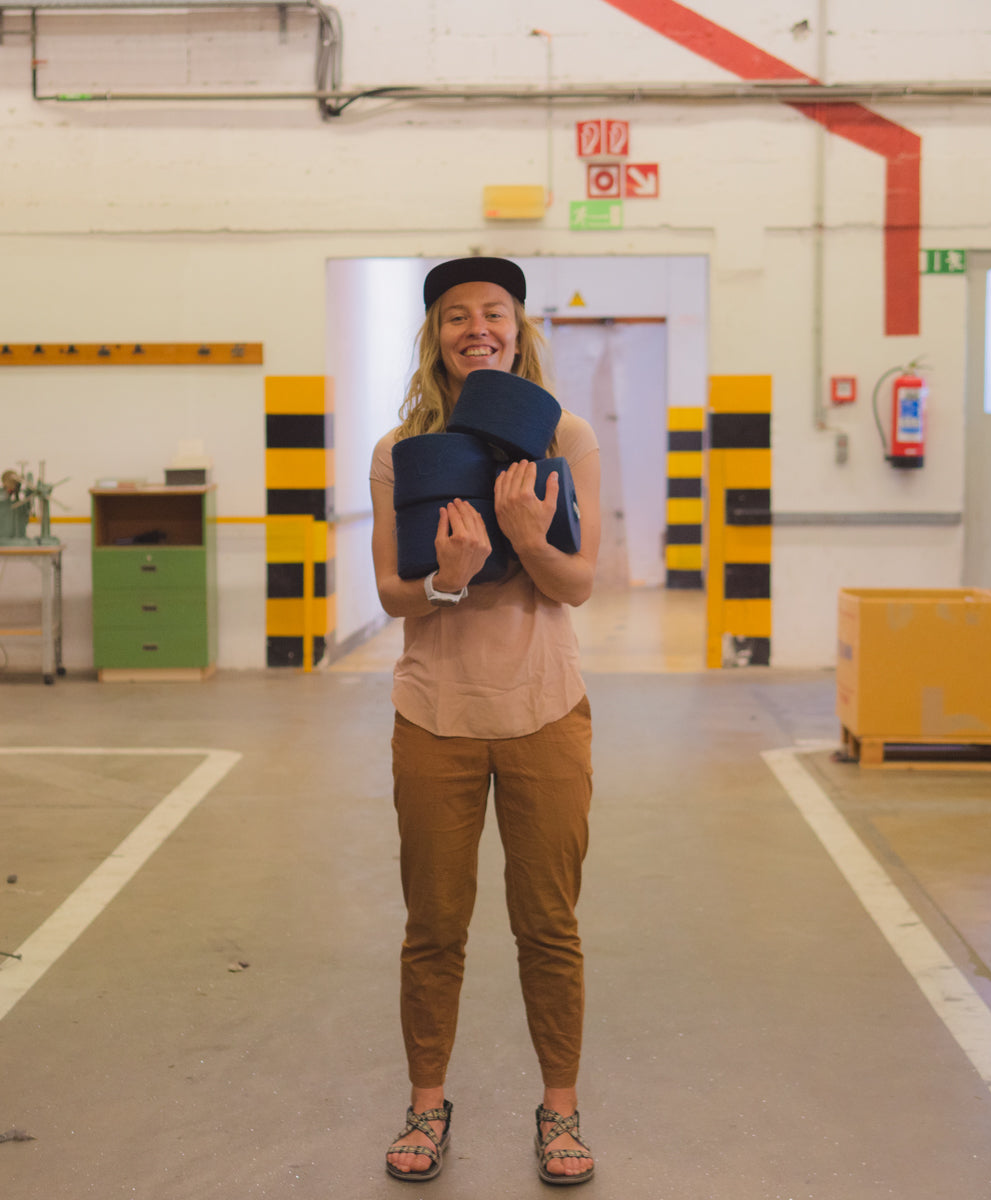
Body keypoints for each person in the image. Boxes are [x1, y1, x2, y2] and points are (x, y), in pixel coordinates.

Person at [368, 257, 602, 1186]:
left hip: (546, 709)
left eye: (493, 313)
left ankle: (561, 1112)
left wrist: (532, 538)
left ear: (517, 328)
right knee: (434, 925)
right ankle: (427, 1108)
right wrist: (448, 580)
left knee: (549, 924)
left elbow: (580, 585)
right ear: (436, 334)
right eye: (457, 315)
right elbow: (393, 595)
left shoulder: (564, 435)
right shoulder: (399, 453)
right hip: (434, 715)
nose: (477, 327)